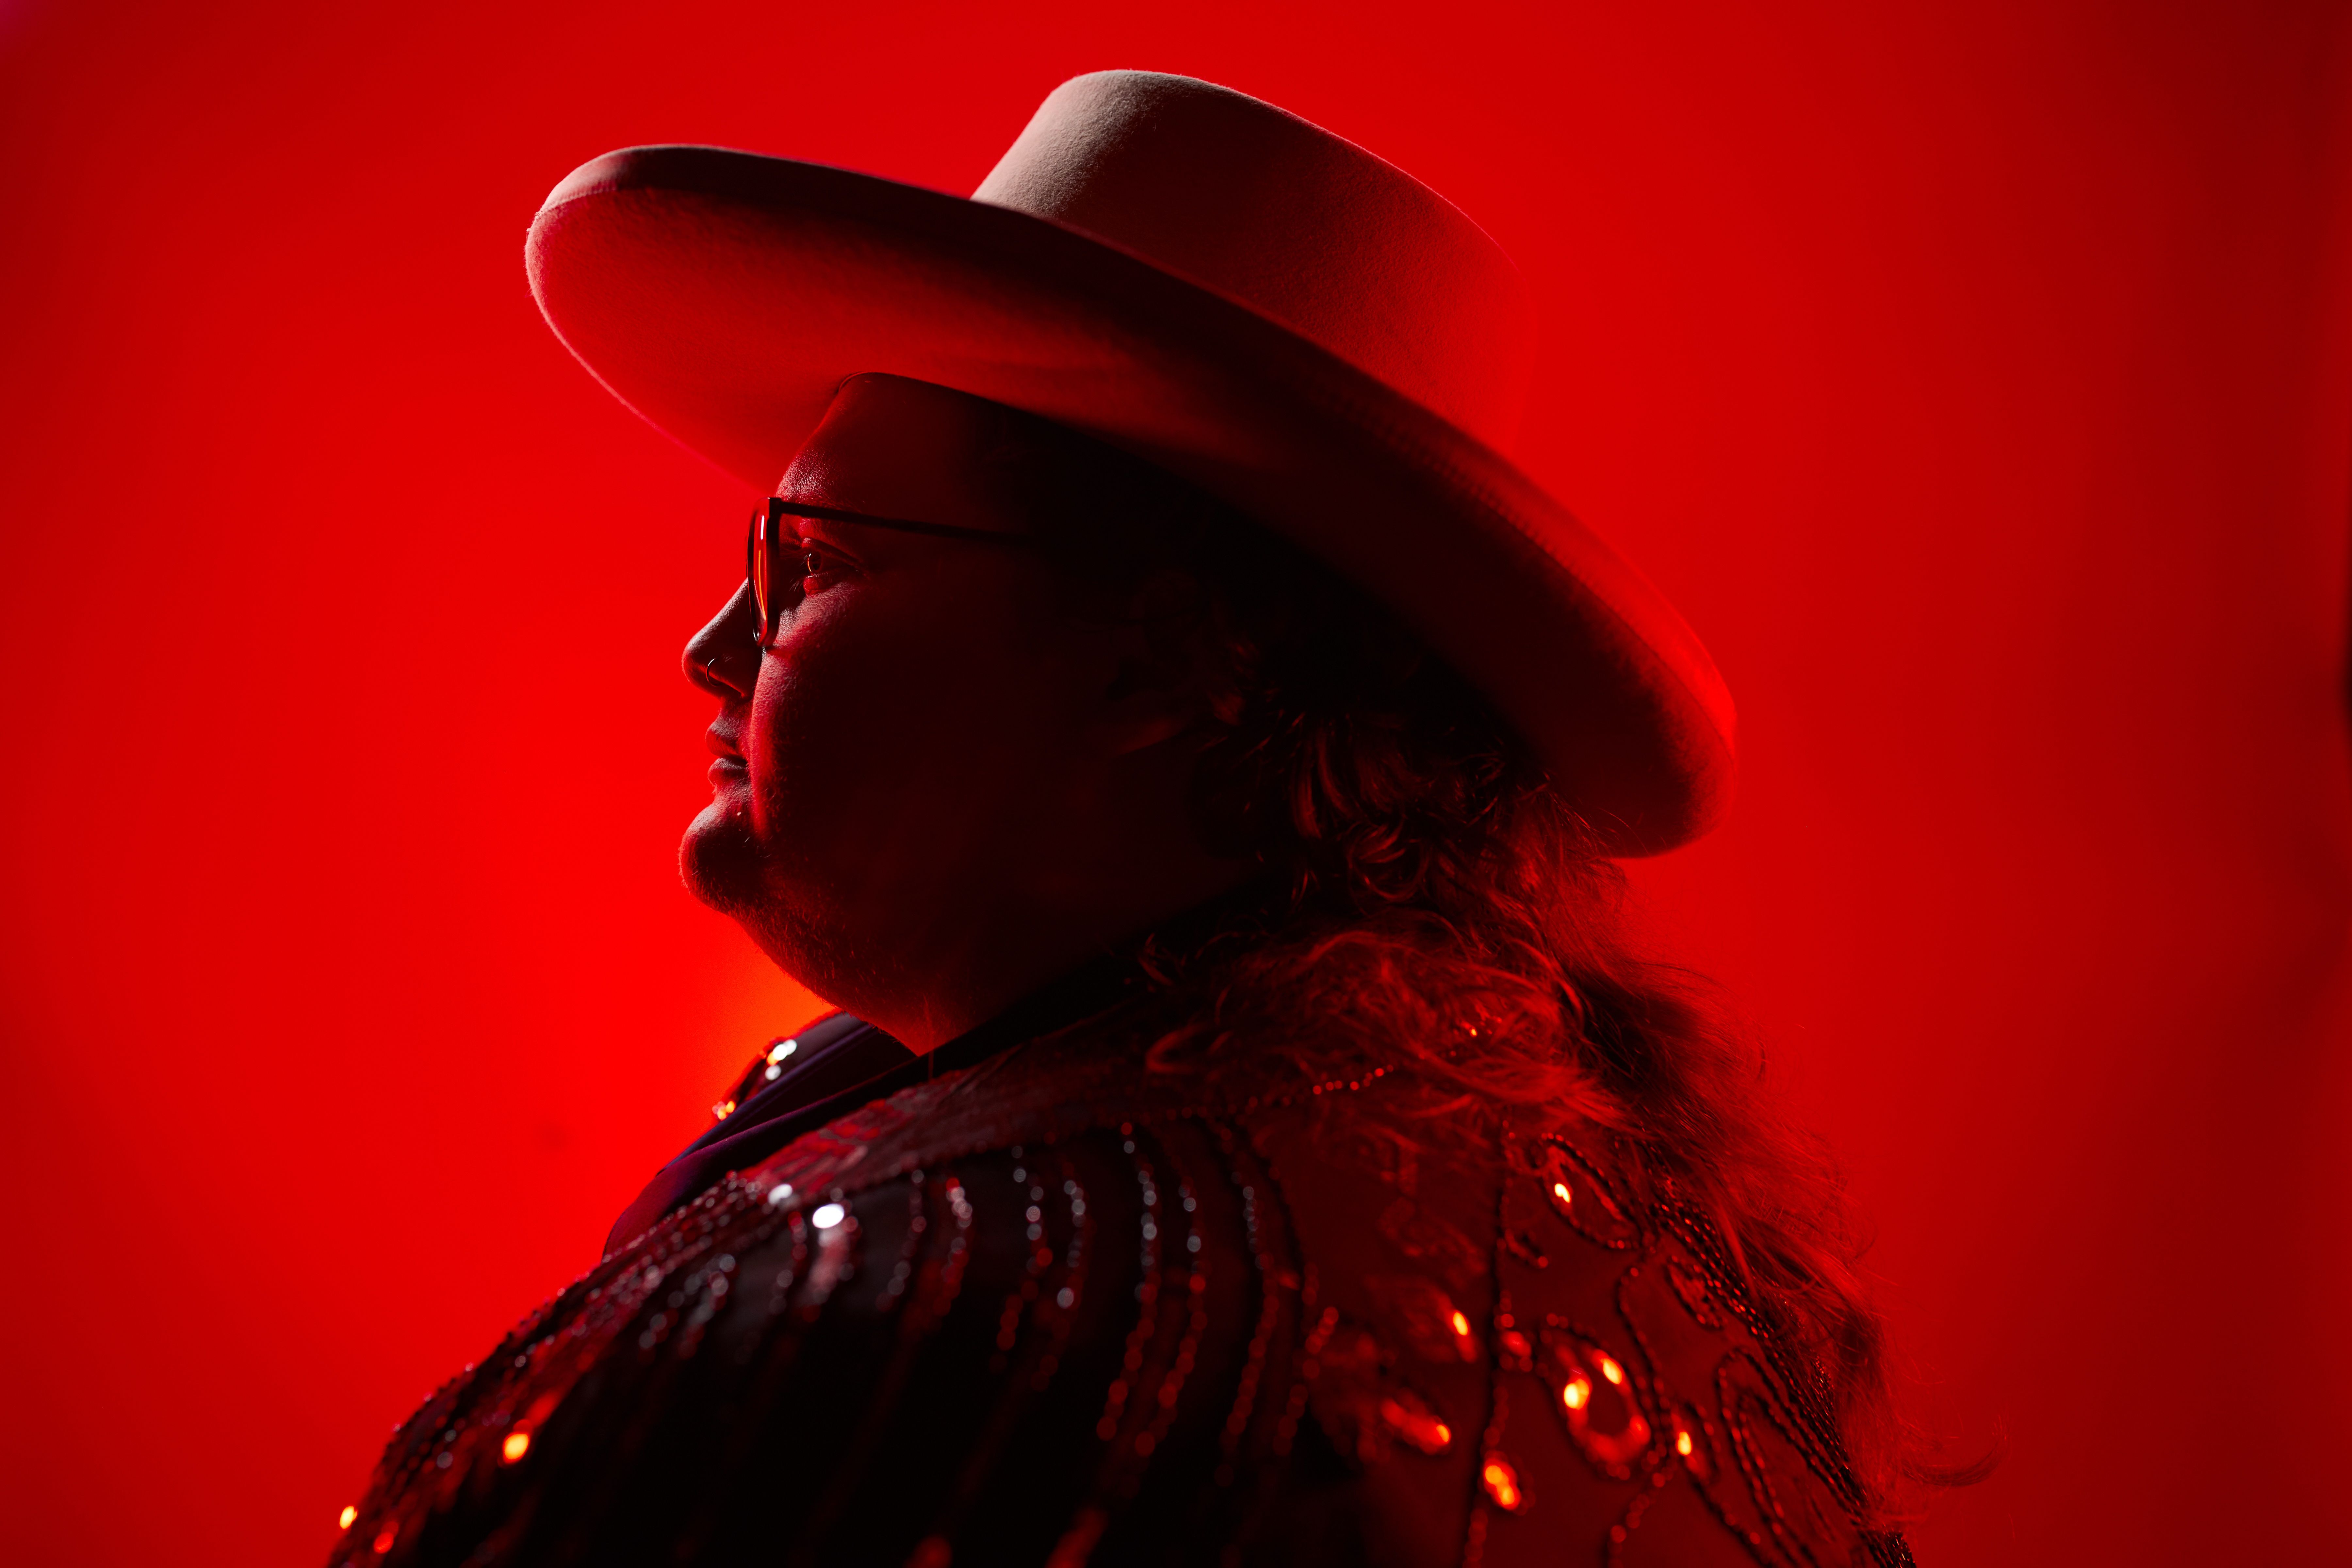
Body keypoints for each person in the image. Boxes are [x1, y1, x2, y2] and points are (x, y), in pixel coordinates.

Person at [336, 72, 1919, 1567]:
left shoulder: (922, 1330)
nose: (714, 646)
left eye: (812, 565)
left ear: (1163, 658)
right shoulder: (1636, 1257)